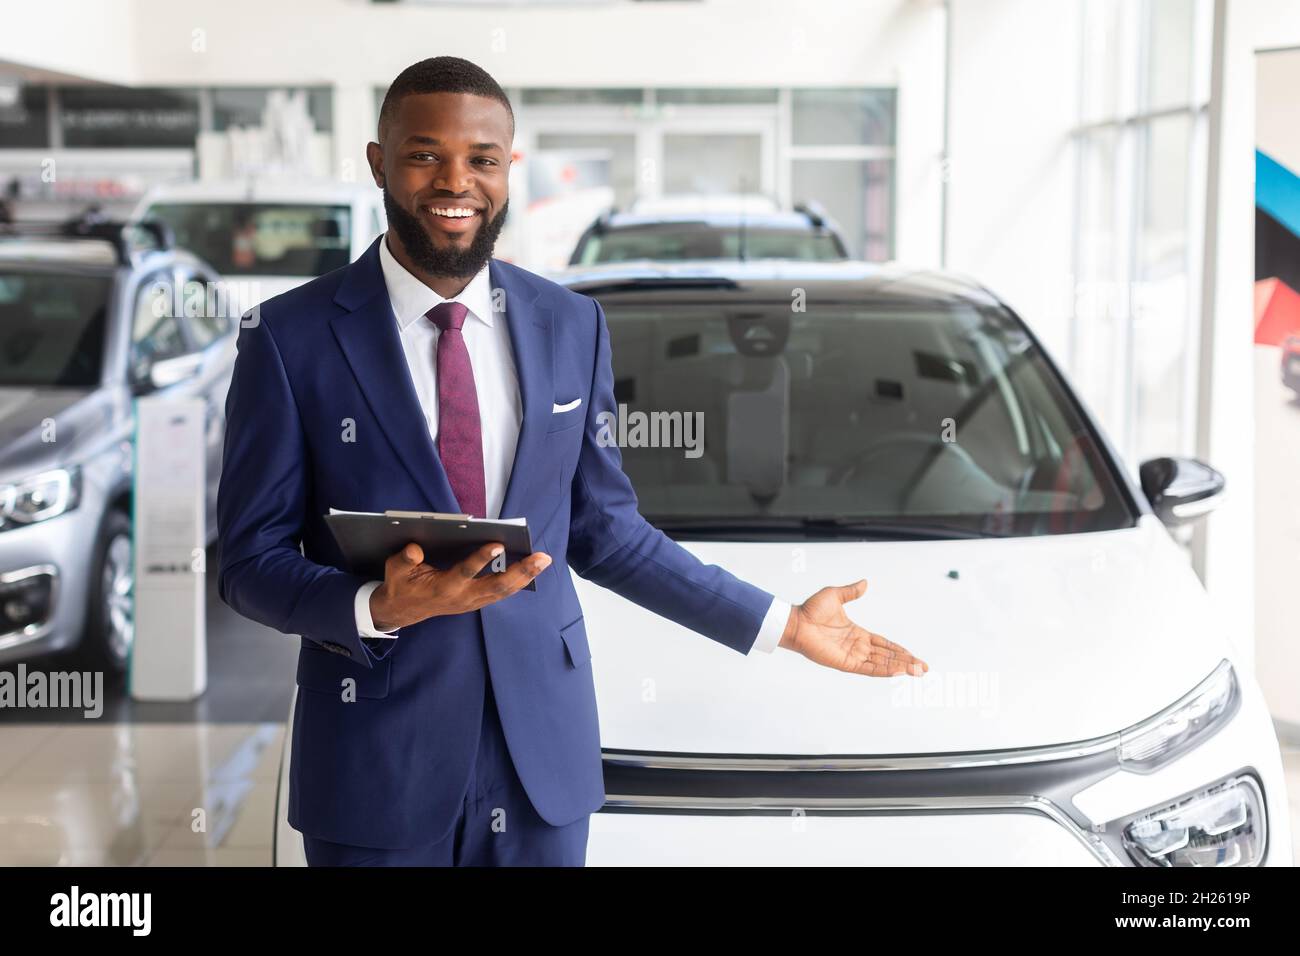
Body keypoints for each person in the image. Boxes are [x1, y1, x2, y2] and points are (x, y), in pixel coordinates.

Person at [216, 56, 928, 867]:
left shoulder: (571, 325)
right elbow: (249, 563)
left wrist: (786, 626)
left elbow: (606, 532)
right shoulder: (287, 338)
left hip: (539, 762)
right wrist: (378, 604)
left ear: (507, 170)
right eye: (425, 154)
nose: (456, 181)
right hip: (377, 760)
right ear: (380, 163)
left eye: (482, 159)